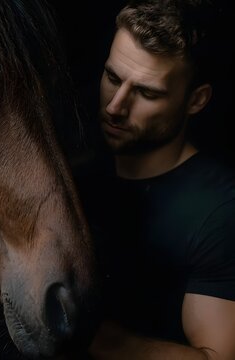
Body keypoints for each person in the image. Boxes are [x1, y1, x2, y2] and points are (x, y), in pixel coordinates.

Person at [74, 0, 235, 358]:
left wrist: (90, 337)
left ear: (196, 100)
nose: (116, 105)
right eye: (112, 78)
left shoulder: (220, 212)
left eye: (147, 93)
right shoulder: (79, 179)